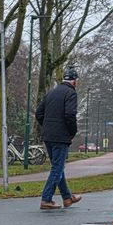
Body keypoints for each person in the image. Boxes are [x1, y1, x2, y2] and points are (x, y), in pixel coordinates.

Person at [35, 66, 82, 210]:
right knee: (57, 168)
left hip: (48, 136)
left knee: (58, 168)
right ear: (74, 82)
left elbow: (38, 113)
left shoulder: (52, 93)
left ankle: (67, 197)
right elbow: (69, 115)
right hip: (60, 137)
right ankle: (46, 199)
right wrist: (72, 132)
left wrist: (48, 126)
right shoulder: (71, 94)